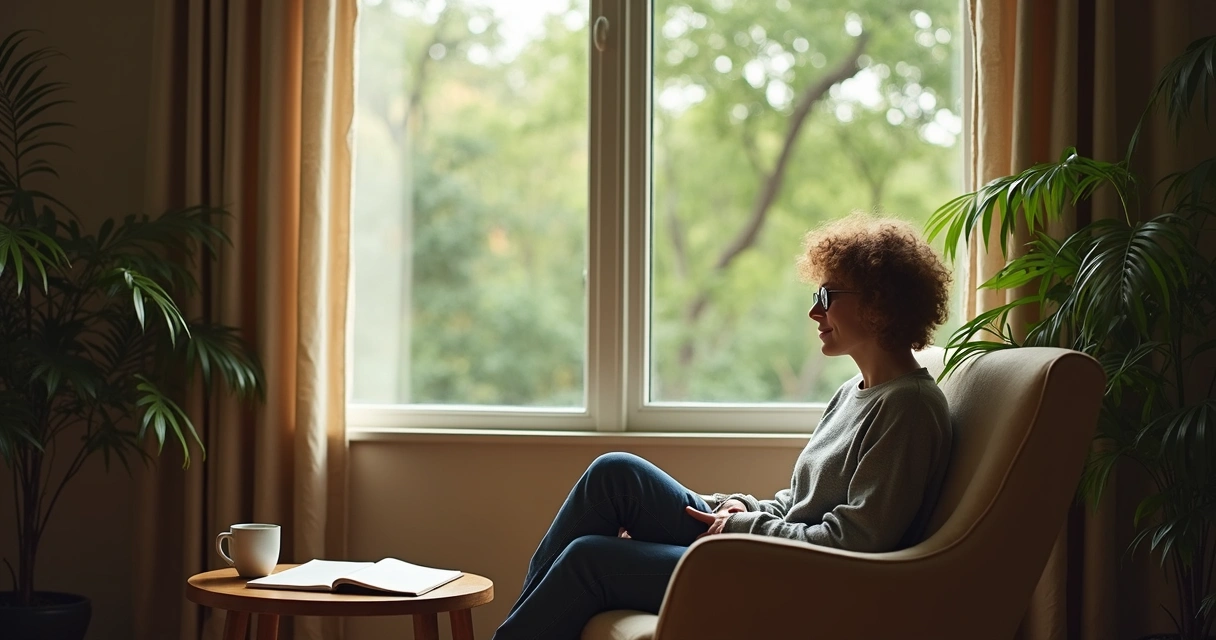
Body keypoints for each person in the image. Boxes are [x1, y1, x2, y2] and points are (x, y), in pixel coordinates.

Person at [492, 213, 955, 640]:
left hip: (798, 579)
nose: (815, 312)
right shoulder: (853, 391)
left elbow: (856, 542)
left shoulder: (909, 407)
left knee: (590, 559)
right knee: (614, 474)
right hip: (769, 552)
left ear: (878, 304)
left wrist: (742, 527)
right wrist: (743, 508)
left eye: (826, 297)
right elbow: (800, 503)